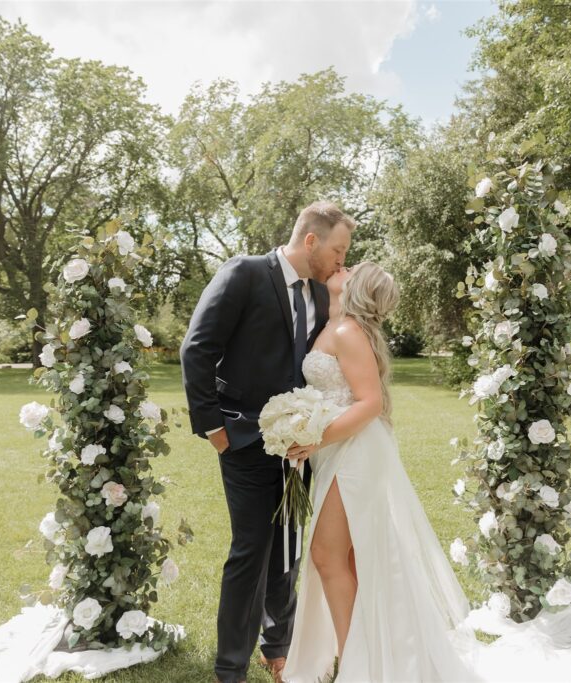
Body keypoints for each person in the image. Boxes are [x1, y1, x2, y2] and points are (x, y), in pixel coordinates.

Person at [281, 262, 571, 683]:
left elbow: (370, 403)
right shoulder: (334, 323)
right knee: (355, 557)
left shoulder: (347, 332)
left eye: (351, 266)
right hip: (339, 448)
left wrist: (314, 438)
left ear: (357, 288)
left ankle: (354, 663)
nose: (343, 265)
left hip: (353, 452)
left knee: (328, 555)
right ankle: (368, 656)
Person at [180, 200, 355, 683]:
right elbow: (197, 349)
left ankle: (278, 649)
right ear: (311, 240)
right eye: (339, 250)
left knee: (289, 547)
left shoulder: (320, 292)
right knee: (252, 549)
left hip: (300, 443)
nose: (343, 260)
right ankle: (229, 669)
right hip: (242, 439)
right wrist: (215, 431)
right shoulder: (244, 273)